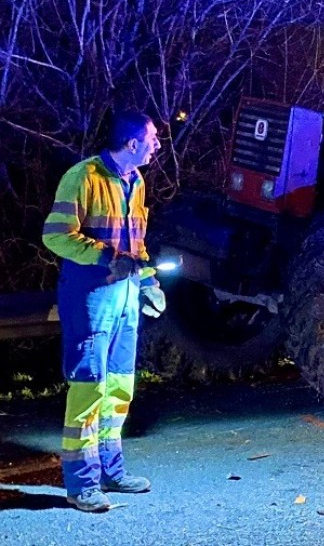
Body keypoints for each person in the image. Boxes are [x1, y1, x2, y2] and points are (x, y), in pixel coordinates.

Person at [42, 110, 166, 512]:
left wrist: (147, 282)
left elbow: (138, 245)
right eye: (153, 138)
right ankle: (81, 485)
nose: (157, 145)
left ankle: (111, 470)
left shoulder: (136, 181)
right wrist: (108, 258)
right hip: (91, 298)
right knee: (88, 389)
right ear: (132, 144)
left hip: (125, 297)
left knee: (118, 388)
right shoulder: (83, 177)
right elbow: (56, 235)